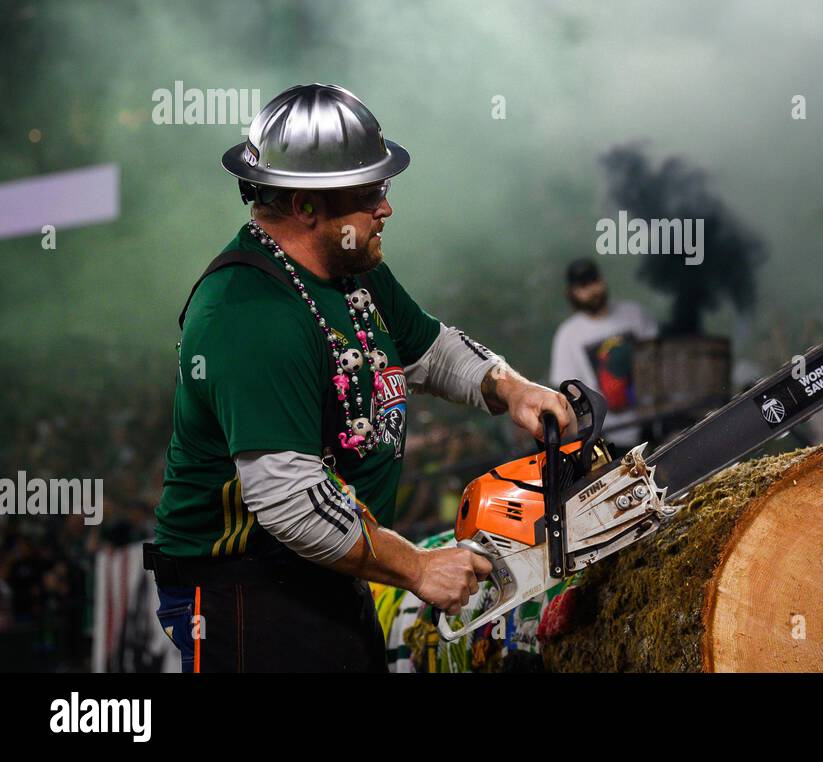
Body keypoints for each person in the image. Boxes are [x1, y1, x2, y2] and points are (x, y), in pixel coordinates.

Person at [148, 84, 576, 673]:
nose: (386, 206)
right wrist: (419, 567)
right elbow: (290, 500)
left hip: (329, 564)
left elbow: (429, 348)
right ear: (305, 206)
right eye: (369, 191)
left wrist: (511, 387)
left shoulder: (351, 268)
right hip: (244, 587)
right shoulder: (246, 314)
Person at [548, 258, 657, 450]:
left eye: (594, 281)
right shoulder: (567, 335)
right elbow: (569, 392)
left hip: (655, 421)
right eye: (583, 286)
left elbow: (659, 358)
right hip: (610, 436)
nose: (592, 290)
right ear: (572, 293)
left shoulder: (633, 313)